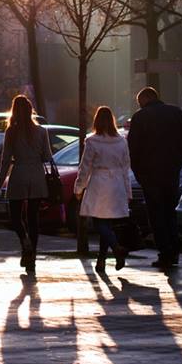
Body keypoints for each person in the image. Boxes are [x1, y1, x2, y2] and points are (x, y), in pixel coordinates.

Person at [126, 86, 182, 270]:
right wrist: (179, 162)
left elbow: (132, 149)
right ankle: (174, 252)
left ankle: (164, 253)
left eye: (139, 103)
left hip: (150, 175)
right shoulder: (176, 113)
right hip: (171, 172)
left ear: (144, 99)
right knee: (170, 213)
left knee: (156, 215)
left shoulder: (140, 117)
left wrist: (139, 173)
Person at [0, 95, 52, 276]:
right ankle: (32, 258)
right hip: (36, 176)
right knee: (33, 218)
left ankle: (24, 241)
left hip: (18, 174)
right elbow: (47, 157)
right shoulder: (41, 131)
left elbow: (5, 160)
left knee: (15, 216)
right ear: (30, 110)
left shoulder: (11, 132)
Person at [74, 106, 132, 272]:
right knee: (107, 223)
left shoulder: (92, 141)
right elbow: (125, 168)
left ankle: (116, 248)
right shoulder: (121, 141)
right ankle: (101, 260)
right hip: (117, 184)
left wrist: (79, 188)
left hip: (99, 184)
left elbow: (85, 167)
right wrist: (128, 191)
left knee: (99, 222)